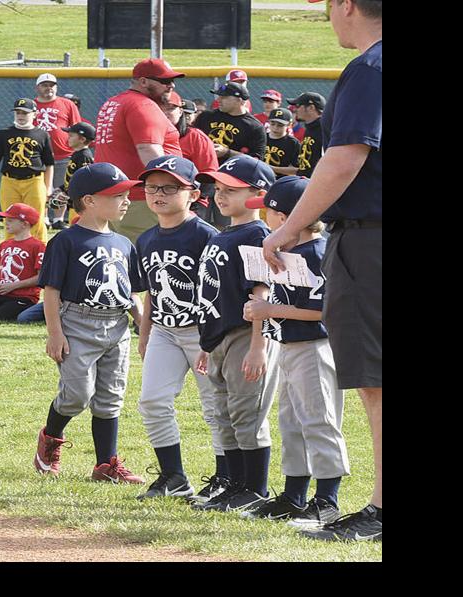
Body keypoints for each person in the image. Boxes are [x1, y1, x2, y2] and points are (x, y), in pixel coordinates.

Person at [263, 0, 381, 542]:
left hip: (370, 238)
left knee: (377, 382)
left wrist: (289, 228)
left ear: (348, 5)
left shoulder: (370, 67)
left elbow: (344, 157)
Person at [237, 175, 348, 529]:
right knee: (292, 423)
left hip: (315, 346)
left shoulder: (317, 253)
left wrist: (271, 310)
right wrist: (263, 307)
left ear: (285, 217)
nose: (264, 219)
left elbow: (325, 311)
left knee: (319, 421)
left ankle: (327, 501)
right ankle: (294, 496)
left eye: (268, 212)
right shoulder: (292, 252)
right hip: (290, 346)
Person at [32, 162, 147, 485]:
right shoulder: (66, 241)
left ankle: (105, 464)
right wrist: (55, 333)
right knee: (77, 395)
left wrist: (141, 324)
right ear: (89, 200)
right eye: (118, 195)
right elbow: (51, 291)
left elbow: (130, 292)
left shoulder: (124, 243)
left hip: (117, 324)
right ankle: (50, 438)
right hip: (77, 322)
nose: (126, 201)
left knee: (111, 396)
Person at [129, 155, 227, 503]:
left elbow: (219, 291)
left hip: (202, 332)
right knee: (152, 401)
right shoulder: (146, 239)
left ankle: (224, 478)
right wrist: (145, 334)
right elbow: (151, 292)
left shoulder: (207, 236)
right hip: (165, 332)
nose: (159, 193)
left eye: (170, 187)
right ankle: (173, 476)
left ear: (193, 193)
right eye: (152, 186)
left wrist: (211, 339)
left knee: (215, 407)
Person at [189, 155, 277, 514]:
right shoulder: (224, 233)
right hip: (220, 338)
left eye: (231, 190)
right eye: (218, 189)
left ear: (258, 194)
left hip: (245, 335)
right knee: (225, 413)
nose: (220, 196)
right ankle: (237, 485)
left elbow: (261, 292)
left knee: (246, 412)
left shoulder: (257, 234)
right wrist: (207, 344)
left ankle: (255, 488)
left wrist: (258, 347)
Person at [93, 59, 185, 242]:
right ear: (143, 81)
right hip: (141, 199)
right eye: (165, 81)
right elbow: (148, 150)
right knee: (148, 258)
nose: (171, 86)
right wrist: (174, 185)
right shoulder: (142, 105)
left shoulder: (113, 102)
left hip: (114, 194)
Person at [0, 99, 54, 241]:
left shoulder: (42, 134)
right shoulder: (4, 134)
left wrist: (48, 186)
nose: (20, 116)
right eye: (18, 112)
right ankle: (10, 250)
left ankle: (40, 251)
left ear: (34, 114)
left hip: (34, 180)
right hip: (9, 181)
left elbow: (49, 163)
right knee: (10, 218)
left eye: (25, 113)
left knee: (36, 218)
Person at [34, 73, 83, 230]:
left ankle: (58, 219)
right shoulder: (31, 105)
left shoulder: (67, 104)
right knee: (40, 189)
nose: (48, 88)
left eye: (52, 85)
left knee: (62, 188)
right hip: (38, 155)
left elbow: (76, 127)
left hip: (63, 153)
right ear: (37, 87)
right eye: (44, 85)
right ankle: (43, 217)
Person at [195, 82, 267, 162]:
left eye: (224, 97)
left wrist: (227, 152)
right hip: (202, 166)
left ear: (239, 100)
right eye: (219, 96)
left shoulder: (254, 127)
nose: (218, 100)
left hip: (232, 171)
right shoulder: (206, 116)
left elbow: (256, 161)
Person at [47, 121, 95, 219]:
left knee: (78, 229)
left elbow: (84, 181)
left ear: (82, 139)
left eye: (71, 136)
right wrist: (62, 188)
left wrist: (69, 193)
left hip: (80, 204)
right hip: (74, 202)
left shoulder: (84, 156)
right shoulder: (76, 154)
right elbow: (72, 177)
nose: (68, 138)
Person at [289, 91, 327, 178]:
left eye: (298, 106)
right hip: (305, 180)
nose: (295, 109)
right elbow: (303, 169)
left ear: (311, 107)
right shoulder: (310, 128)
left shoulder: (324, 128)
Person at [264, 108, 302, 177]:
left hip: (279, 180)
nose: (275, 128)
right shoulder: (262, 137)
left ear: (289, 124)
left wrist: (273, 169)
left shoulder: (293, 143)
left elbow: (298, 170)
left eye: (280, 125)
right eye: (272, 124)